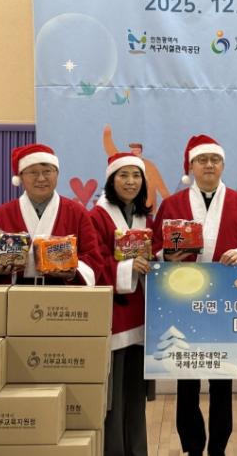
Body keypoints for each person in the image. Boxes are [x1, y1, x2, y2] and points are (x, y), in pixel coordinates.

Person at [152, 134, 237, 456]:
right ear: (192, 167)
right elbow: (156, 247)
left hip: (226, 301)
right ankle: (192, 446)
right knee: (186, 379)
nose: (209, 165)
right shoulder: (172, 205)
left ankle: (218, 447)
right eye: (202, 160)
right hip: (182, 300)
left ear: (223, 165)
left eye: (215, 160)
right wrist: (166, 255)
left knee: (222, 380)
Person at [89, 153, 152, 456]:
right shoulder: (97, 217)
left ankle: (137, 450)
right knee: (112, 396)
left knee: (136, 394)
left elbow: (158, 252)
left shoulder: (145, 218)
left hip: (142, 314)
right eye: (123, 175)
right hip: (113, 313)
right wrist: (128, 268)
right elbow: (94, 263)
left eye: (136, 176)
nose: (130, 182)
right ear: (111, 180)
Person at [0, 143, 102, 285]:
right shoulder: (1, 215)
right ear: (20, 177)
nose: (41, 178)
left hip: (64, 294)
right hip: (16, 293)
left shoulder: (77, 213)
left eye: (47, 171)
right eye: (33, 172)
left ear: (57, 174)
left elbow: (93, 257)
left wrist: (73, 271)